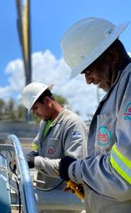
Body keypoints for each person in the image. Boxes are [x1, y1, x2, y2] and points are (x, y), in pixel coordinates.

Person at [58, 17, 131, 213]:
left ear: (112, 55)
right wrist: (93, 187)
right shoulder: (119, 89)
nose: (87, 81)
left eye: (88, 70)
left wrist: (75, 170)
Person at [21, 82, 88, 213]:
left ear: (47, 100)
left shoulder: (72, 123)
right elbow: (38, 145)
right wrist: (32, 154)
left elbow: (74, 166)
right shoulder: (44, 123)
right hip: (47, 201)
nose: (35, 113)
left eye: (35, 108)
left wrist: (36, 162)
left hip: (64, 203)